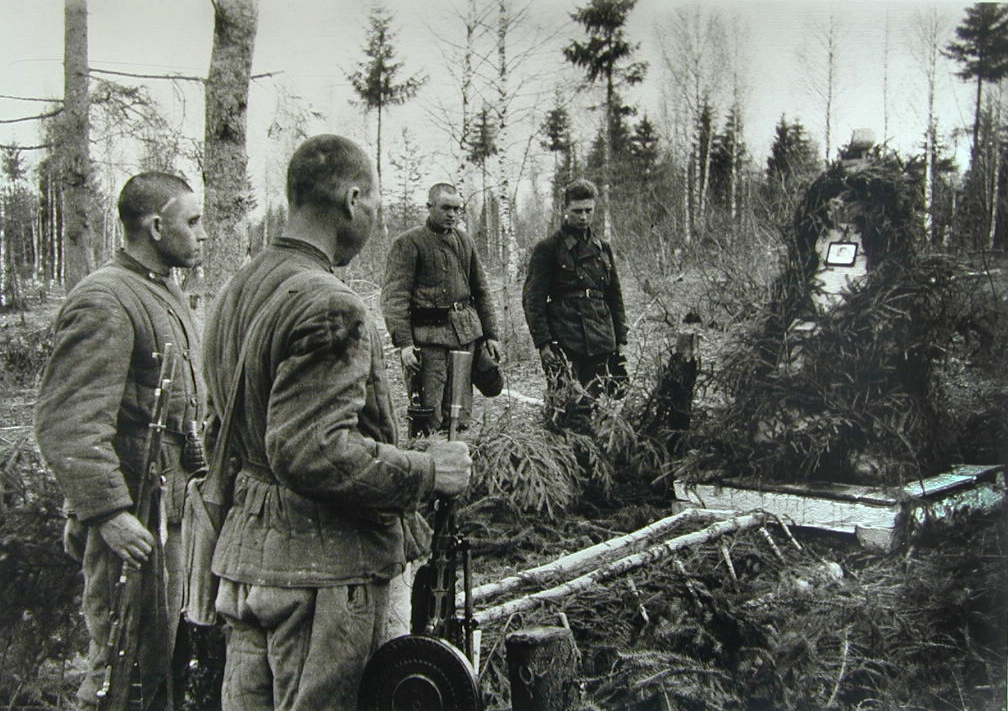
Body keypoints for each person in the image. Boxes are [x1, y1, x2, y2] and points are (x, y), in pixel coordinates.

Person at [202, 135, 472, 711]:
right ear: (353, 199)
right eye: (374, 202)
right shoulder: (329, 302)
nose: (374, 217)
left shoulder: (234, 291)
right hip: (321, 579)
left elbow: (218, 431)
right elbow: (314, 450)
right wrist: (428, 472)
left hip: (249, 565)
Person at [35, 172, 207, 710]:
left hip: (168, 507)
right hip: (133, 516)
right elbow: (69, 421)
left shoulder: (162, 291)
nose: (203, 233)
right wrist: (107, 513)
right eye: (193, 221)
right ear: (156, 226)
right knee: (121, 666)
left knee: (158, 663)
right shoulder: (106, 298)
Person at [382, 183, 502, 433]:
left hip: (465, 338)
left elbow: (481, 290)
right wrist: (404, 343)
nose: (452, 214)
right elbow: (395, 298)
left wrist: (491, 335)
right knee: (428, 414)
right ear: (429, 207)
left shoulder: (465, 241)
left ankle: (458, 454)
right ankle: (427, 456)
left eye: (457, 209)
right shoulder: (409, 243)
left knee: (459, 413)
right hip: (428, 343)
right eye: (446, 208)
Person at [522, 178, 628, 424]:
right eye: (577, 211)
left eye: (588, 211)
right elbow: (532, 299)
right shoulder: (548, 248)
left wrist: (621, 340)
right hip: (565, 339)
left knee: (597, 406)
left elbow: (615, 296)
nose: (583, 217)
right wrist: (544, 343)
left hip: (601, 337)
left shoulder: (602, 248)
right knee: (566, 408)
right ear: (565, 209)